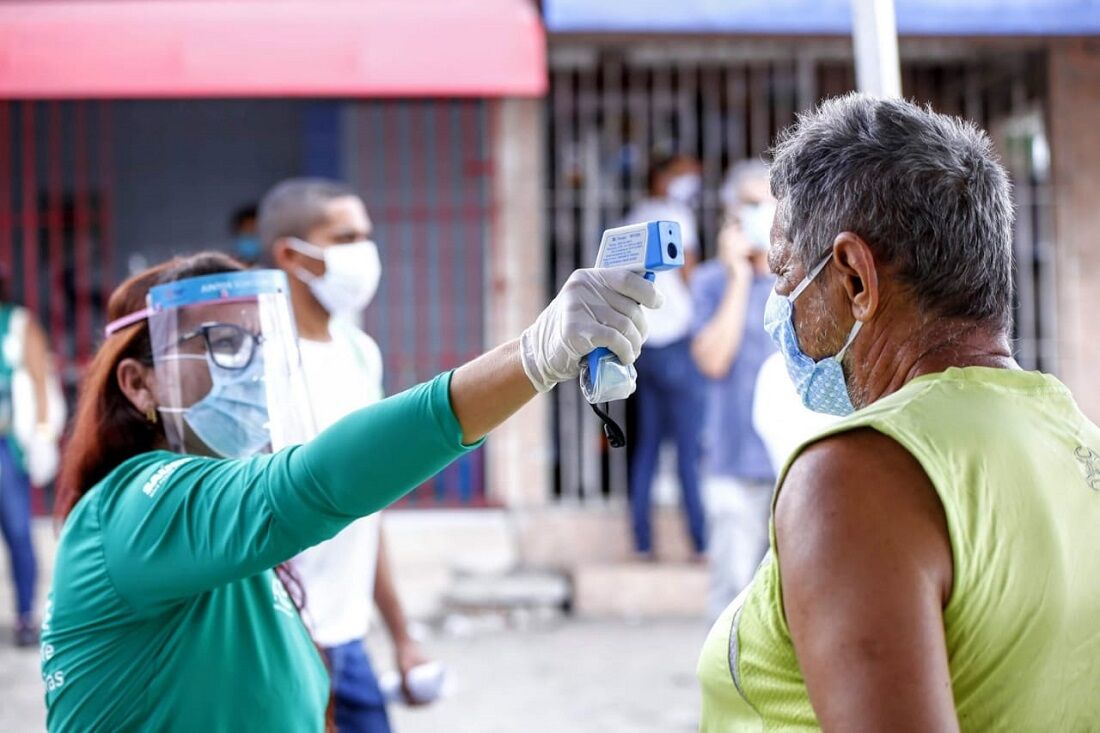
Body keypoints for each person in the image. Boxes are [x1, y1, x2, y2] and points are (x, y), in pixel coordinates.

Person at [42, 251, 659, 731]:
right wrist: (532, 356)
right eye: (223, 345)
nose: (251, 368)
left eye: (259, 344)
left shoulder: (229, 539)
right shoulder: (135, 506)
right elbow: (315, 483)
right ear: (138, 383)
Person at [698, 93, 1100, 729]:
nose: (781, 308)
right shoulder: (1079, 445)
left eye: (787, 277)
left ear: (855, 278)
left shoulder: (856, 478)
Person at [259, 177, 425, 732]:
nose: (363, 253)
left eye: (366, 236)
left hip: (348, 640)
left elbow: (366, 509)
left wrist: (401, 636)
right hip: (282, 641)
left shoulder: (360, 352)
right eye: (345, 237)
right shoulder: (257, 362)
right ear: (290, 254)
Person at [689, 161, 778, 617]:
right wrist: (739, 278)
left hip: (793, 466)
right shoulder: (710, 283)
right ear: (730, 215)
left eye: (768, 203)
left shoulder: (800, 284)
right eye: (749, 205)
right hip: (731, 464)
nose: (760, 213)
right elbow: (712, 359)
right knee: (733, 601)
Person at [625, 153, 706, 560]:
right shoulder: (674, 215)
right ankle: (701, 542)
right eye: (682, 174)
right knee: (688, 449)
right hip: (675, 338)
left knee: (648, 446)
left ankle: (642, 543)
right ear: (660, 178)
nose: (689, 181)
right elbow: (690, 271)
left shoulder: (631, 218)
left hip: (641, 345)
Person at [0, 275, 64, 646]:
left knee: (19, 531)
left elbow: (40, 380)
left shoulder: (18, 324)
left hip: (7, 445)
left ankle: (25, 615)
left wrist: (42, 433)